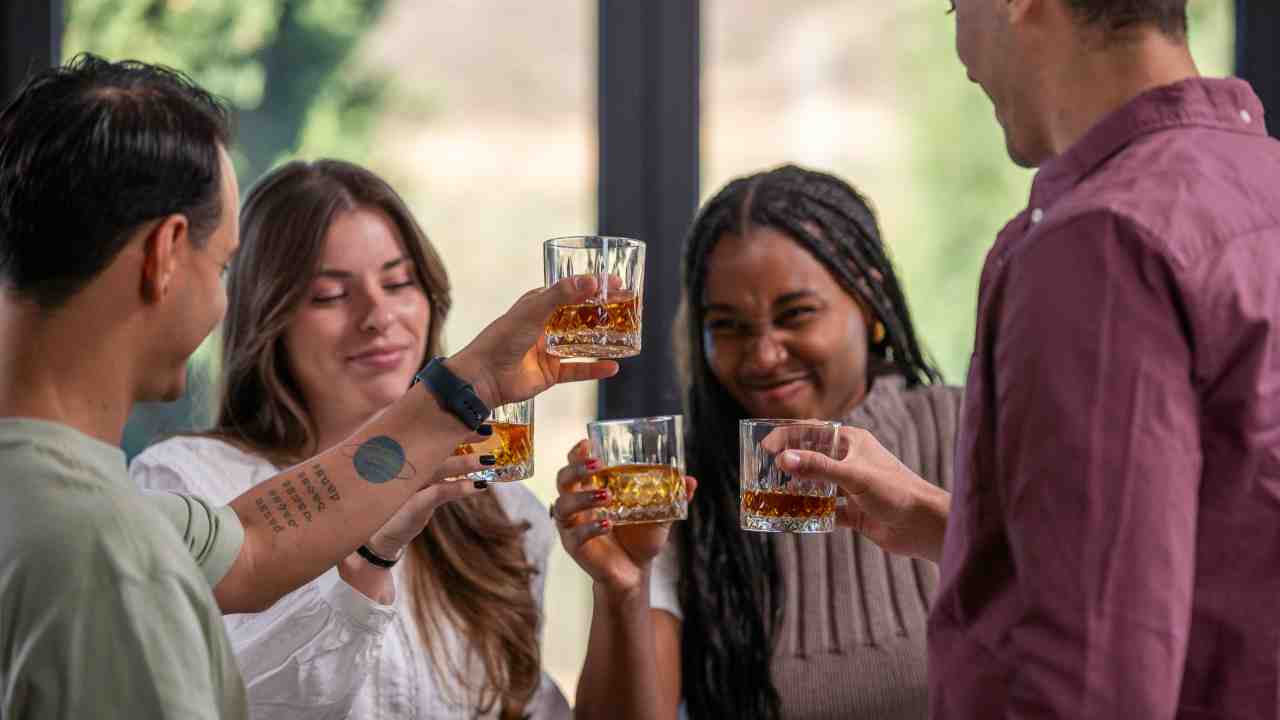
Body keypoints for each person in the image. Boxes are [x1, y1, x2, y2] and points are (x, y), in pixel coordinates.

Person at [0, 55, 615, 719]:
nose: (220, 301)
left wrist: (471, 383)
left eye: (398, 281)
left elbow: (259, 542)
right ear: (166, 255)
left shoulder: (98, 513)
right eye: (224, 264)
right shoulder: (107, 550)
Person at [776, 2, 1280, 717]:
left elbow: (1098, 679)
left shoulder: (1101, 244)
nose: (961, 51)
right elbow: (1205, 554)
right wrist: (934, 519)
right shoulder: (1262, 185)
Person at [132, 159, 570, 719]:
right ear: (270, 319)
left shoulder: (500, 507)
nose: (378, 315)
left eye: (398, 282)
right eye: (330, 295)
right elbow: (208, 700)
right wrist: (369, 559)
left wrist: (618, 594)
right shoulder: (187, 482)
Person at [553, 165, 963, 719]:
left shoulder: (972, 432)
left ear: (869, 300)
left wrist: (931, 519)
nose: (764, 355)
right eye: (728, 326)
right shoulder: (683, 488)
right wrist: (624, 586)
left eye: (796, 315)